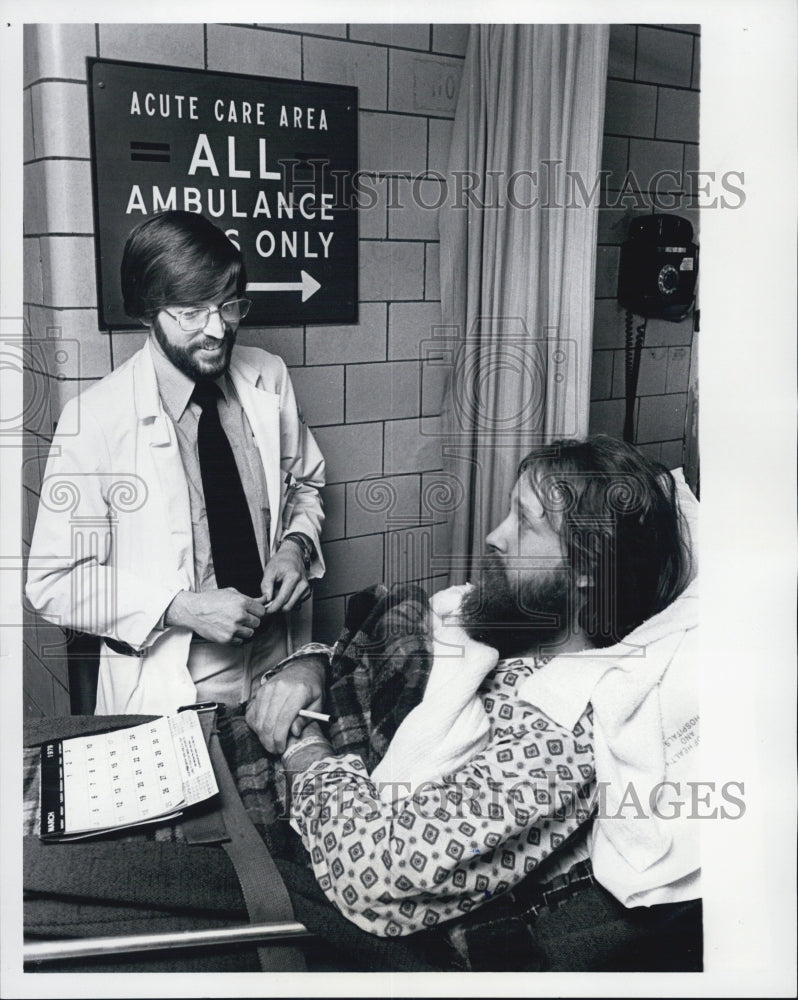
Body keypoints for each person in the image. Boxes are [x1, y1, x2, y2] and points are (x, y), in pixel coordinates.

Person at [249, 435, 700, 944]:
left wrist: (306, 749)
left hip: (270, 823)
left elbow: (376, 875)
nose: (494, 536)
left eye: (525, 524)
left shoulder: (556, 738)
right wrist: (307, 666)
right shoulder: (489, 618)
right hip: (247, 738)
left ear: (587, 570)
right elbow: (362, 646)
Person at [26, 210, 326, 731]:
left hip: (278, 657)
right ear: (147, 312)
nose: (216, 329)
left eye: (228, 306)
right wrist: (180, 607)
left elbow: (305, 484)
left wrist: (294, 548)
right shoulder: (95, 420)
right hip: (177, 679)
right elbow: (54, 582)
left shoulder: (269, 377)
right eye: (191, 311)